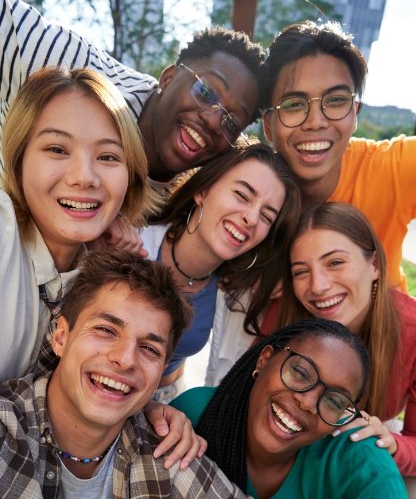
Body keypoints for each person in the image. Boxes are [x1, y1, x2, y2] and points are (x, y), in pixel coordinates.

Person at [0, 250, 247, 498]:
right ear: (60, 337)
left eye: (150, 349)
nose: (125, 360)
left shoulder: (168, 456)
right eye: (105, 330)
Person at [0, 66, 153, 394]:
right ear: (19, 159)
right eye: (57, 149)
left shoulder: (94, 279)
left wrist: (150, 412)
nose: (85, 177)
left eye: (108, 156)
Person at [0, 0, 264, 189]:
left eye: (231, 122)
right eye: (206, 92)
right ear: (168, 77)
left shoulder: (191, 195)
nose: (211, 120)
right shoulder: (68, 66)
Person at [172, 319, 407, 498]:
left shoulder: (363, 466)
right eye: (300, 373)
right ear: (263, 360)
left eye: (334, 401)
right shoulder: (194, 414)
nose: (307, 402)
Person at [261, 20, 416, 291]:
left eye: (335, 100)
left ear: (355, 113)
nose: (316, 122)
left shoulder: (389, 169)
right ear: (268, 126)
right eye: (294, 105)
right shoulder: (249, 195)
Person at [142, 141, 301, 401]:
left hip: (160, 403)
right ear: (203, 189)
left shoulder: (234, 294)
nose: (251, 217)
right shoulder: (131, 242)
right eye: (242, 195)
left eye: (267, 216)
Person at [278, 202, 416, 476]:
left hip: (364, 449)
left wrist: (392, 446)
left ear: (374, 265)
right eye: (301, 272)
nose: (318, 286)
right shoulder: (284, 317)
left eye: (335, 263)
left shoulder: (411, 332)